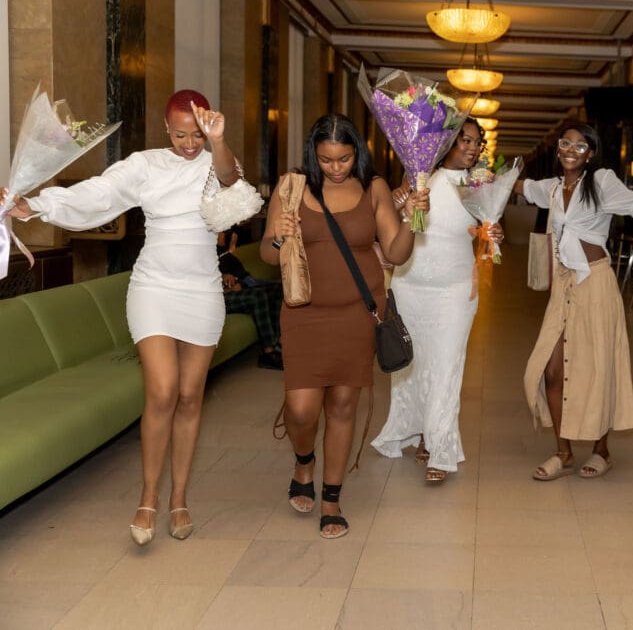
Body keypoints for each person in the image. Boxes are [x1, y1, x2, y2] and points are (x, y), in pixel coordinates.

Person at [2, 90, 240, 546]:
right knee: (163, 390)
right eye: (179, 134)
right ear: (166, 129)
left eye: (196, 134)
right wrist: (37, 205)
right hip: (153, 287)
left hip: (202, 289)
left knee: (191, 397)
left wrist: (218, 140)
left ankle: (180, 499)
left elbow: (231, 180)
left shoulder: (216, 160)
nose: (189, 143)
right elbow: (99, 193)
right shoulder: (144, 164)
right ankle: (148, 497)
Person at [261, 113, 428, 539]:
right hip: (303, 313)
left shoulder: (372, 189)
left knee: (341, 406)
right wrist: (277, 237)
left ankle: (331, 497)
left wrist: (412, 218)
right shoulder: (292, 186)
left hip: (358, 313)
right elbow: (266, 253)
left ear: (358, 153)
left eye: (344, 159)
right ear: (313, 155)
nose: (336, 168)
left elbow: (396, 251)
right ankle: (304, 462)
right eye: (327, 159)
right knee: (301, 409)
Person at [513, 123, 633, 480]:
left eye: (580, 144)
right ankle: (563, 452)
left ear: (590, 152)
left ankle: (602, 451)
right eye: (565, 143)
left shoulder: (601, 182)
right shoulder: (551, 189)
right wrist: (473, 175)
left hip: (596, 284)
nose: (571, 149)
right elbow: (515, 185)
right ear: (558, 149)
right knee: (551, 370)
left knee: (597, 368)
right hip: (564, 288)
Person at [370, 119, 503, 483]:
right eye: (464, 140)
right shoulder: (418, 176)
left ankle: (439, 448)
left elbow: (487, 237)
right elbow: (393, 222)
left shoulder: (482, 183)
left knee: (446, 366)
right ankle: (415, 432)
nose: (472, 148)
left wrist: (493, 235)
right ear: (446, 142)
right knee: (411, 362)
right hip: (410, 281)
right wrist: (402, 204)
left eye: (477, 142)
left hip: (455, 289)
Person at [217, 229, 284, 369]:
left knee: (278, 290)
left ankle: (278, 342)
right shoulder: (202, 255)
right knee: (257, 296)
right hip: (217, 298)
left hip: (236, 288)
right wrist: (225, 285)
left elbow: (236, 275)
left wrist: (236, 282)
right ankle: (268, 353)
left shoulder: (221, 252)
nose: (223, 234)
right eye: (219, 232)